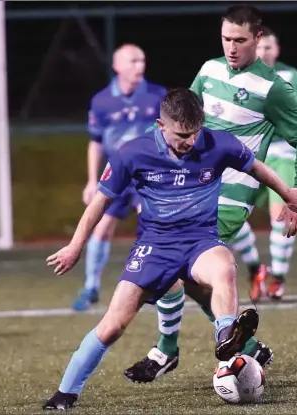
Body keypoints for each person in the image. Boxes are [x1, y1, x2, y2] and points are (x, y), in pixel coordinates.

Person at [42, 88, 297, 410]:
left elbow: (256, 167)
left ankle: (227, 336)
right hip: (153, 247)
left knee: (224, 266)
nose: (189, 141)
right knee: (113, 325)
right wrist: (75, 246)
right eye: (181, 134)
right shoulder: (133, 152)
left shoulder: (218, 143)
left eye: (194, 133)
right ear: (161, 125)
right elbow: (99, 202)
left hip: (199, 240)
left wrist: (288, 194)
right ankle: (65, 393)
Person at [124, 4, 297, 384]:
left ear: (257, 39)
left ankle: (167, 350)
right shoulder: (210, 71)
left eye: (240, 40)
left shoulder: (274, 88)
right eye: (226, 38)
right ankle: (244, 347)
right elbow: (181, 117)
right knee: (192, 278)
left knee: (170, 263)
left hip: (230, 195)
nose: (231, 47)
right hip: (191, 188)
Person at [72, 44, 167, 311]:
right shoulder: (102, 101)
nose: (140, 66)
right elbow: (96, 142)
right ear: (117, 66)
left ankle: (156, 282)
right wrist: (92, 180)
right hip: (117, 173)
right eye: (133, 61)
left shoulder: (157, 96)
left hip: (149, 175)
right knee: (100, 229)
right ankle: (91, 287)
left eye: (142, 60)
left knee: (152, 225)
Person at [231, 25, 297, 301]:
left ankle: (278, 277)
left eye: (269, 46)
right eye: (260, 46)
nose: (264, 51)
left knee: (282, 214)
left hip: (281, 153)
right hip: (248, 154)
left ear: (276, 49)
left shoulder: (290, 76)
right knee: (228, 211)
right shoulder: (238, 76)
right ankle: (256, 268)